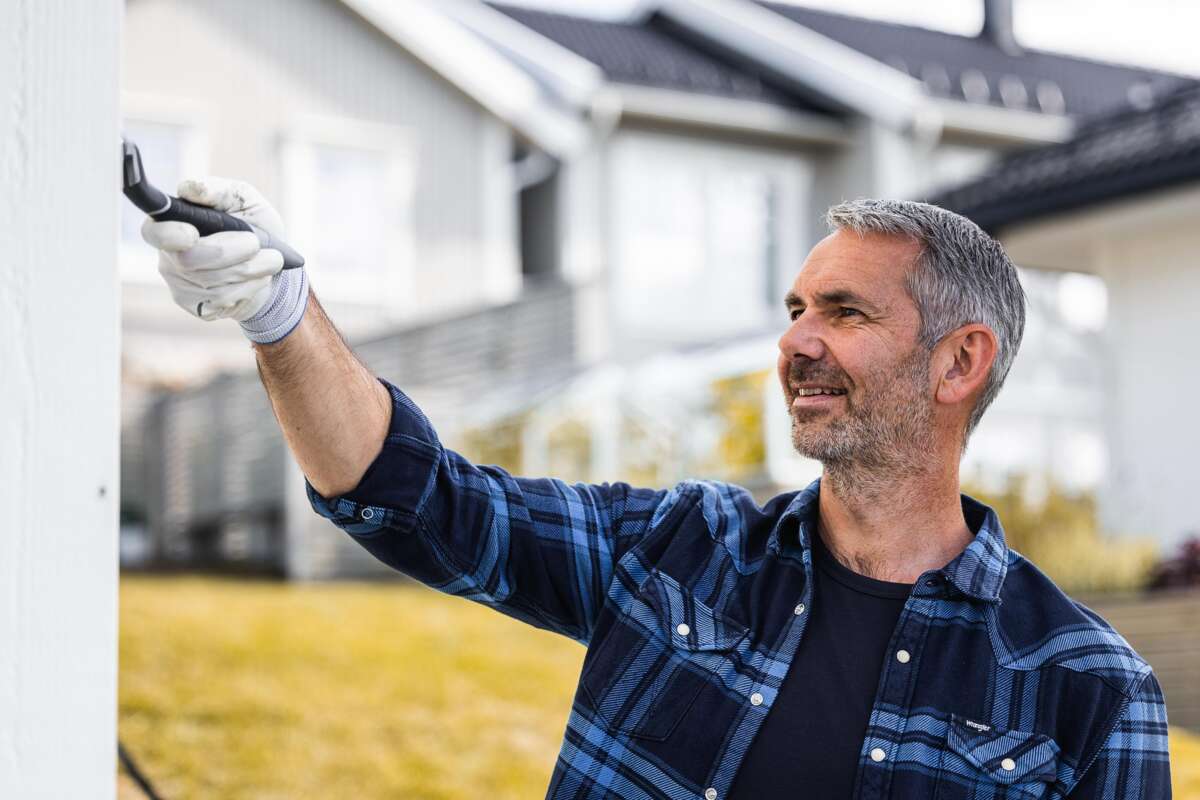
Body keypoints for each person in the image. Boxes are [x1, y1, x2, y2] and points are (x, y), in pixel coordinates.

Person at [141, 178, 1171, 799]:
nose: (795, 340)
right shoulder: (681, 548)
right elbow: (418, 501)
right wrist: (280, 310)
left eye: (845, 311)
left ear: (960, 363)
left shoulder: (1088, 686)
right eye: (795, 305)